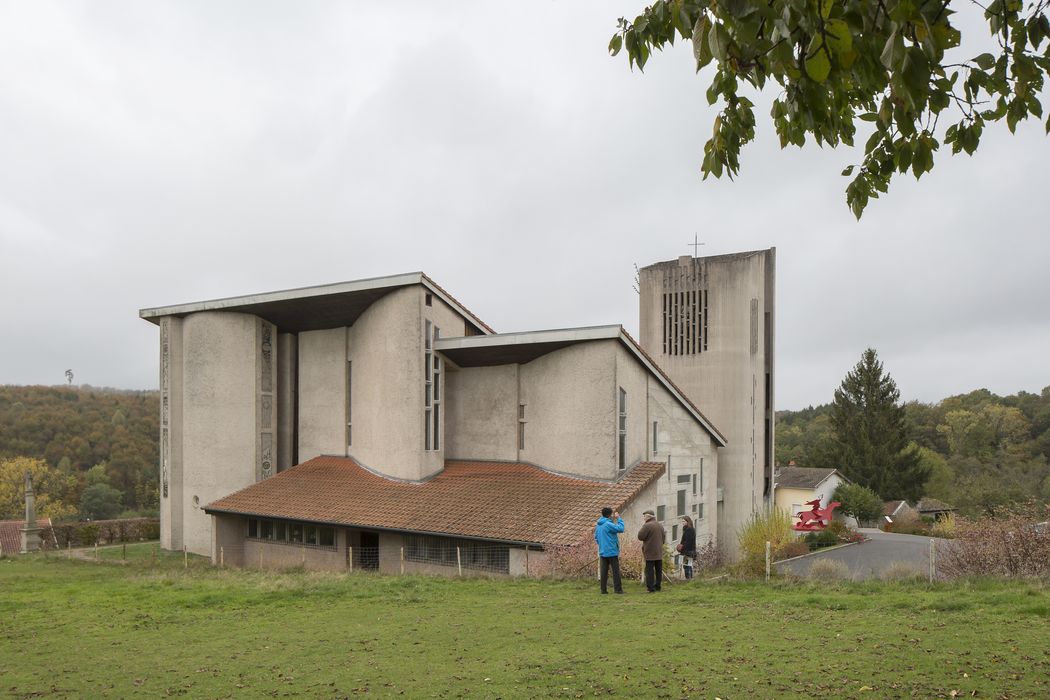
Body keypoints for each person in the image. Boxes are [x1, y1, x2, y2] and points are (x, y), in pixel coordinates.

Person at [594, 506, 625, 594]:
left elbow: (596, 537)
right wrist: (619, 518)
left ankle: (603, 590)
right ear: (609, 515)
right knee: (615, 572)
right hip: (611, 551)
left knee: (603, 572)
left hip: (602, 551)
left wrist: (602, 544)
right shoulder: (608, 524)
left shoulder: (599, 524)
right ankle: (618, 590)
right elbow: (621, 529)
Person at [637, 509, 666, 592]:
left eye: (644, 516)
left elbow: (640, 536)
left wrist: (642, 526)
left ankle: (650, 588)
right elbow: (663, 538)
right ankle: (658, 586)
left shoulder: (647, 525)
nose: (643, 518)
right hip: (659, 551)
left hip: (650, 551)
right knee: (658, 570)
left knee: (649, 570)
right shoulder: (660, 525)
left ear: (648, 517)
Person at [679, 516, 697, 580]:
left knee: (687, 566)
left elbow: (688, 542)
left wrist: (683, 549)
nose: (682, 522)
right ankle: (690, 579)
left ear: (687, 521)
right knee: (688, 565)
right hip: (687, 550)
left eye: (684, 521)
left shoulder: (689, 530)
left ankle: (688, 579)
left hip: (688, 551)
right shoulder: (687, 529)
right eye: (682, 521)